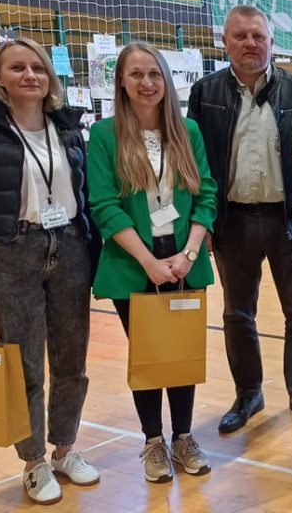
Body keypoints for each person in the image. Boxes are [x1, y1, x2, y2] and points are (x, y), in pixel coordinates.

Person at [0, 38, 99, 505]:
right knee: (25, 363)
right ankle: (34, 461)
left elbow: (85, 197)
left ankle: (65, 448)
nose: (30, 75)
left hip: (70, 247)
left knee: (72, 360)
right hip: (11, 252)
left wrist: (95, 258)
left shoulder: (68, 126)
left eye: (37, 67)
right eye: (17, 68)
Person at [187, 5, 292, 433]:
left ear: (272, 42)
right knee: (237, 314)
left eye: (258, 36)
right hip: (233, 221)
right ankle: (249, 393)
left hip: (289, 220)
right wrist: (202, 222)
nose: (250, 44)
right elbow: (195, 162)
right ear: (225, 42)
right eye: (241, 36)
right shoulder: (205, 93)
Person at [88, 42, 218, 482]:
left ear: (166, 80)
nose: (146, 83)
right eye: (137, 74)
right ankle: (153, 441)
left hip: (184, 260)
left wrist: (190, 253)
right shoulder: (105, 135)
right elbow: (104, 205)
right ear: (121, 83)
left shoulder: (188, 131)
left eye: (154, 74)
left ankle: (183, 437)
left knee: (180, 352)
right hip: (134, 263)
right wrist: (148, 262)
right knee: (147, 356)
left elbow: (206, 194)